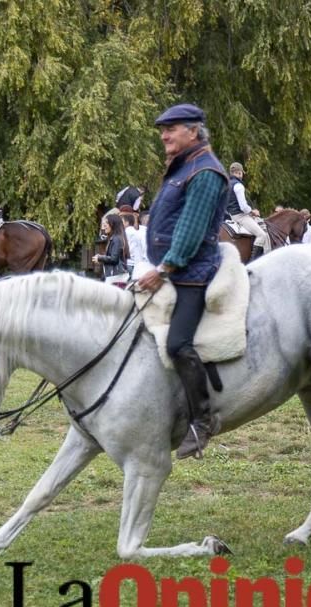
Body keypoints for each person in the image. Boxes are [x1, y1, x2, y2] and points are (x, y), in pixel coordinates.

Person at [137, 103, 229, 460]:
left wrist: (164, 270)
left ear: (193, 131)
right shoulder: (185, 166)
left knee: (177, 344)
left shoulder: (205, 172)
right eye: (163, 128)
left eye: (171, 128)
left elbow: (189, 233)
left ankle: (201, 419)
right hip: (172, 268)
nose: (164, 135)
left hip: (192, 272)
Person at [226, 162, 270, 259]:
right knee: (262, 235)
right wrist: (252, 211)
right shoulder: (238, 186)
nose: (242, 175)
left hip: (230, 215)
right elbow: (243, 207)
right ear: (239, 172)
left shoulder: (226, 184)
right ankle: (253, 261)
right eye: (241, 173)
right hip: (241, 216)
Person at [92, 214, 129, 284]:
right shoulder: (115, 238)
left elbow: (114, 259)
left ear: (113, 225)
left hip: (116, 277)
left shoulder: (116, 239)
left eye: (107, 223)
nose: (104, 226)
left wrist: (100, 258)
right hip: (115, 276)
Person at [122, 211, 147, 278]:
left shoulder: (126, 232)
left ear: (127, 223)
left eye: (122, 222)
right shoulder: (138, 232)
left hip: (129, 262)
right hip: (137, 263)